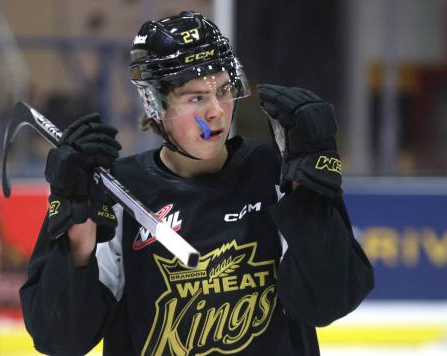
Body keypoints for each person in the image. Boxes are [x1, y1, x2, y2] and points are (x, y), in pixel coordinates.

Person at [20, 10, 374, 356]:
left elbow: (329, 303)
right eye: (196, 98)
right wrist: (77, 230)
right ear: (154, 103)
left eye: (223, 90)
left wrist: (310, 188)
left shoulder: (275, 175)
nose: (216, 112)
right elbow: (60, 340)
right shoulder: (117, 193)